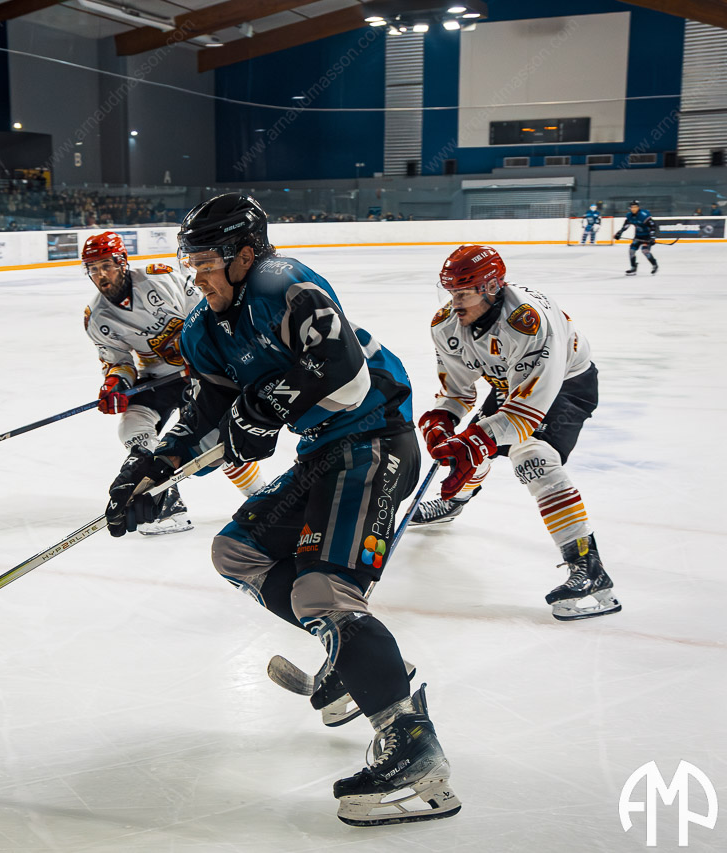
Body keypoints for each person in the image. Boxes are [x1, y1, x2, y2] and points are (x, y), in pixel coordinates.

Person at [104, 194, 459, 827]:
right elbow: (205, 414)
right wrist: (151, 468)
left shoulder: (285, 285)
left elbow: (346, 378)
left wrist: (263, 405)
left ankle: (414, 751)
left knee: (324, 590)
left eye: (206, 263)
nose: (196, 278)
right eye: (189, 264)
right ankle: (358, 659)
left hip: (375, 438)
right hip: (324, 451)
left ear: (245, 255)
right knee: (236, 550)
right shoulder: (203, 328)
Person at [410, 245, 620, 622]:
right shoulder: (446, 324)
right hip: (512, 384)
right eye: (451, 292)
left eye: (463, 293)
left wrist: (474, 440)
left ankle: (590, 571)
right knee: (472, 444)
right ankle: (456, 501)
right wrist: (441, 418)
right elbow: (458, 392)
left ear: (491, 288)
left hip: (567, 384)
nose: (454, 303)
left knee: (533, 457)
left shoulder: (529, 321)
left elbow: (525, 413)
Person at [82, 231, 264, 535]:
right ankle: (166, 504)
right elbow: (118, 362)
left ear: (122, 262)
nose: (101, 275)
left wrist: (202, 356)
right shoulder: (97, 317)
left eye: (107, 266)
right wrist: (115, 384)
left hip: (202, 369)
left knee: (216, 439)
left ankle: (261, 495)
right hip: (158, 379)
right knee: (133, 427)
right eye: (93, 269)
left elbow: (207, 313)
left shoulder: (160, 279)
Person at [614, 200, 659, 275]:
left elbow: (653, 226)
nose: (633, 209)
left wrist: (652, 237)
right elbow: (626, 225)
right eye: (632, 207)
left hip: (647, 237)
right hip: (638, 236)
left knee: (645, 251)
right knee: (631, 251)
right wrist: (619, 233)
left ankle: (655, 265)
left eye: (635, 207)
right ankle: (633, 267)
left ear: (638, 207)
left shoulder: (644, 215)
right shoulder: (629, 216)